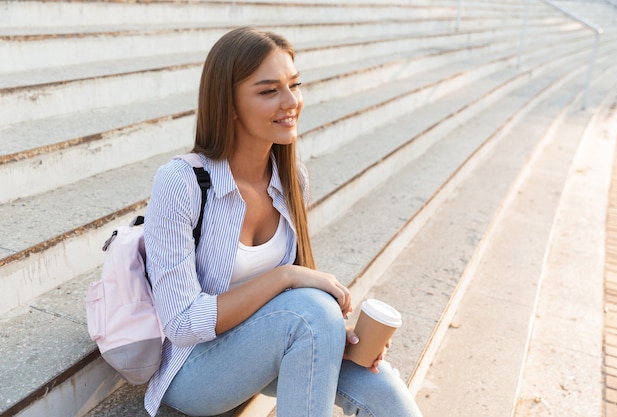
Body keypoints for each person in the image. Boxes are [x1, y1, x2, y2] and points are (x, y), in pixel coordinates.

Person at [143, 26, 423, 417]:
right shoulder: (182, 183)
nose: (291, 101)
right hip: (193, 371)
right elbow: (183, 323)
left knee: (385, 391)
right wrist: (285, 277)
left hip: (268, 342)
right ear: (229, 104)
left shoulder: (292, 178)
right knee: (309, 311)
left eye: (295, 84)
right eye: (268, 91)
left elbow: (295, 311)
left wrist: (335, 334)